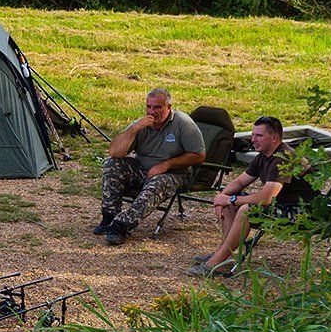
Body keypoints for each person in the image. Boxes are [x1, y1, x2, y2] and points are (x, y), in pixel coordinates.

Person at [188, 115, 318, 276]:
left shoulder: (284, 158)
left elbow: (266, 198)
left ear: (274, 138)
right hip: (284, 205)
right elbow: (240, 182)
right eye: (252, 135)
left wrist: (231, 199)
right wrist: (222, 197)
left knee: (247, 210)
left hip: (303, 212)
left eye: (259, 136)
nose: (253, 139)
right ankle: (222, 259)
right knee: (231, 202)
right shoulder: (264, 156)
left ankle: (213, 264)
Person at [97, 88, 205, 245]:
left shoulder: (183, 123)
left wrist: (167, 164)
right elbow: (114, 152)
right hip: (143, 169)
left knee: (158, 182)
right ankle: (109, 216)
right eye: (149, 107)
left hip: (174, 174)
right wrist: (133, 129)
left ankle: (122, 225)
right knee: (111, 164)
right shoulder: (141, 125)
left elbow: (199, 155)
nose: (152, 112)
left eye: (157, 107)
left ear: (168, 107)